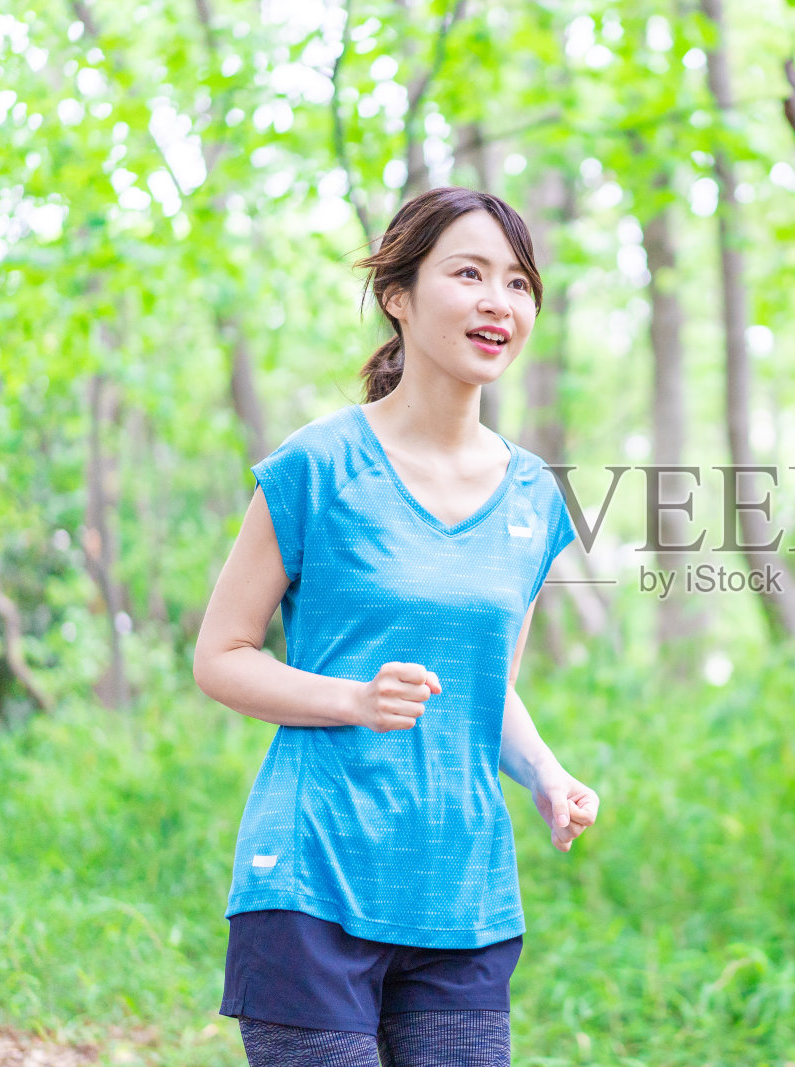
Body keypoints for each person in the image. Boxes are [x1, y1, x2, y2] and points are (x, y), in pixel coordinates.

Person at [192, 186, 599, 1067]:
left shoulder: (533, 496)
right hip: (313, 881)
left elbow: (490, 689)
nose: (500, 300)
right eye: (469, 273)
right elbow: (220, 656)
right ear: (399, 296)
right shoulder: (317, 465)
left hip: (464, 894)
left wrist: (545, 772)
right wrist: (352, 697)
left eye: (519, 283)